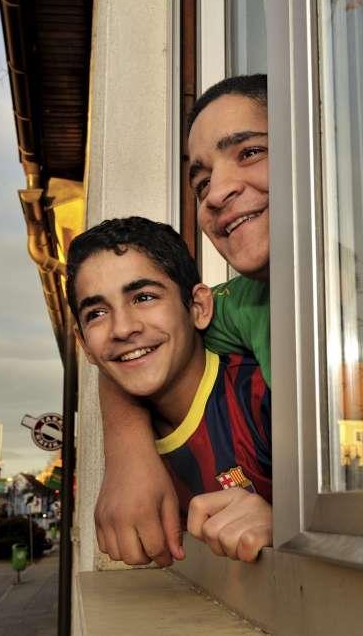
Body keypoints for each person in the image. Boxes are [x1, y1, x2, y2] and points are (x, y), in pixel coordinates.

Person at [94, 74, 271, 567]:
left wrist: (296, 523)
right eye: (201, 181)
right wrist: (127, 455)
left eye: (250, 152)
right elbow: (135, 344)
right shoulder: (243, 303)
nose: (216, 193)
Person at [69, 216, 272, 562]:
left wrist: (287, 528)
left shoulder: (261, 397)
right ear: (84, 344)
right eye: (97, 313)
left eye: (144, 297)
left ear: (199, 307)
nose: (122, 328)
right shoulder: (137, 460)